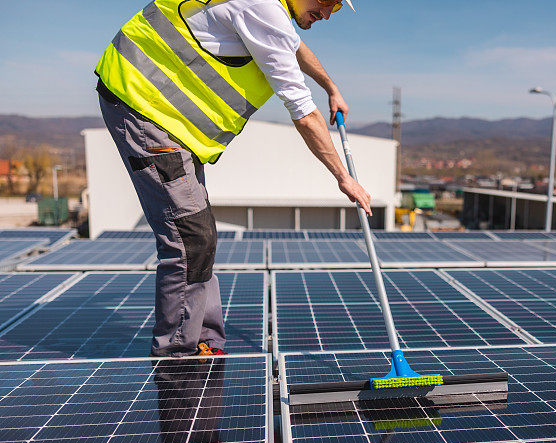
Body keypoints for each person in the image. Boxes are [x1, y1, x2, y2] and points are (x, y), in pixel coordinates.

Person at [95, 0, 371, 359]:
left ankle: (206, 341)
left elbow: (295, 45)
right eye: (326, 0)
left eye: (336, 6)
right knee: (189, 237)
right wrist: (343, 177)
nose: (328, 12)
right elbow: (302, 111)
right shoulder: (262, 8)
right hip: (144, 107)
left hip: (167, 120)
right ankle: (178, 357)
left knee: (199, 231)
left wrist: (330, 85)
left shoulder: (270, 11)